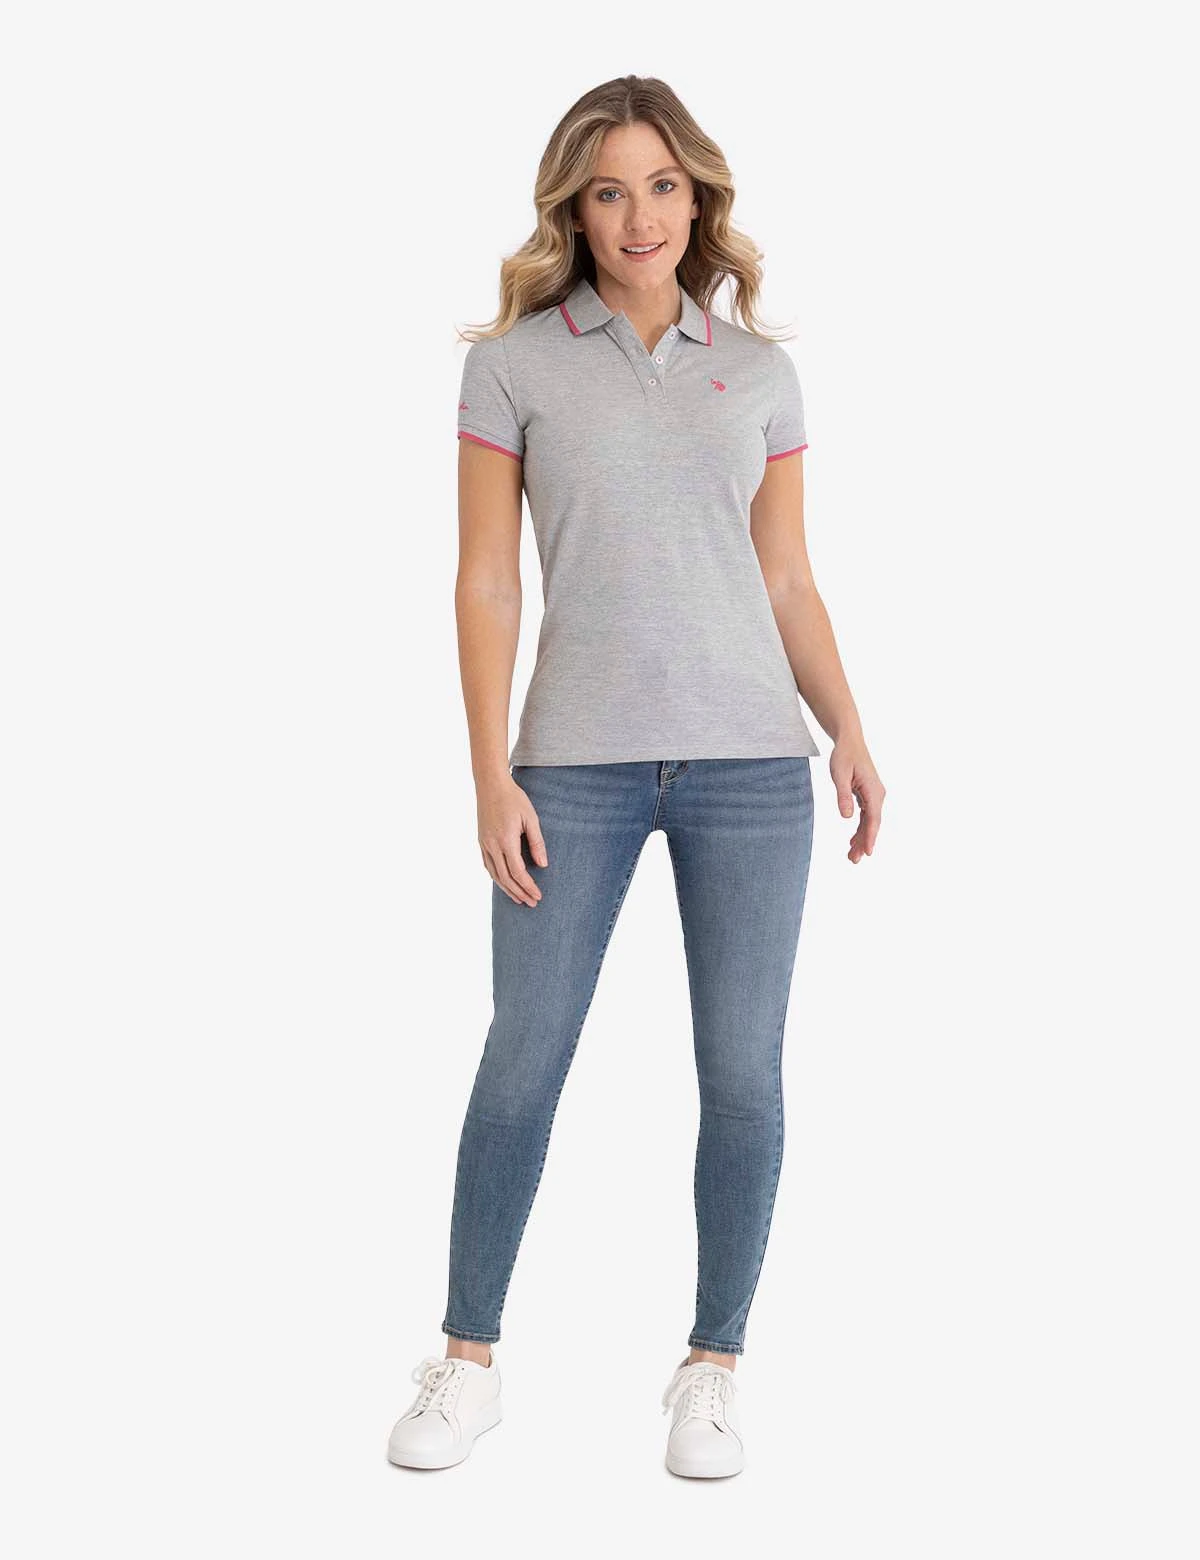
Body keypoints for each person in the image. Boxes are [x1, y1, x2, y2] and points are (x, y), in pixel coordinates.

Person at [388, 75, 885, 1479]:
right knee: (523, 1059)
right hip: (573, 769)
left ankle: (712, 1369)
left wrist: (847, 727)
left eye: (662, 185)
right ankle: (468, 1364)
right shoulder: (512, 366)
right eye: (608, 190)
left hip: (751, 765)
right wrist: (489, 774)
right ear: (574, 208)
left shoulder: (761, 373)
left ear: (698, 196)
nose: (639, 216)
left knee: (743, 1073)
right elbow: (486, 582)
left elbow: (786, 577)